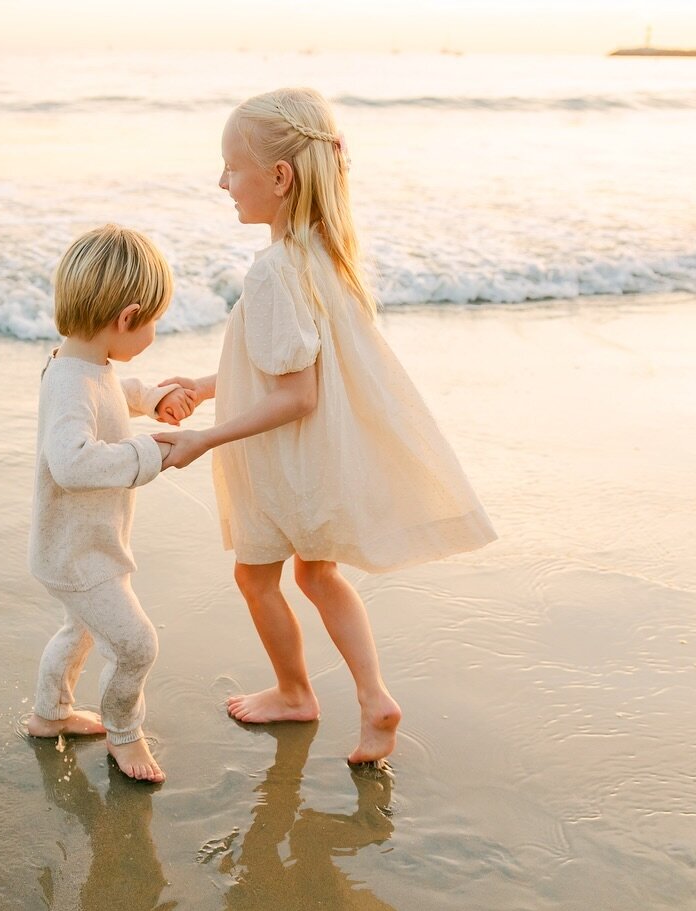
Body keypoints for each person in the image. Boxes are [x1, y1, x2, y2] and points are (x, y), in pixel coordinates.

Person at [155, 88, 497, 764]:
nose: (221, 182)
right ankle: (374, 699)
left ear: (279, 178)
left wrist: (203, 439)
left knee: (257, 579)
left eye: (231, 167)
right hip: (319, 460)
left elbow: (297, 395)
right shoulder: (322, 256)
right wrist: (204, 385)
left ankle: (293, 692)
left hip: (284, 460)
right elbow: (286, 366)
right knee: (316, 575)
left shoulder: (273, 272)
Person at [26, 224, 196, 783]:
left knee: (78, 631)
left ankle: (50, 714)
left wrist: (150, 398)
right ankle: (125, 733)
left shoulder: (82, 364)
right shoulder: (73, 380)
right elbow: (71, 462)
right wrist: (150, 453)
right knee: (136, 645)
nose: (152, 334)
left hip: (76, 549)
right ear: (127, 317)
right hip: (81, 556)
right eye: (153, 323)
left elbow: (112, 394)